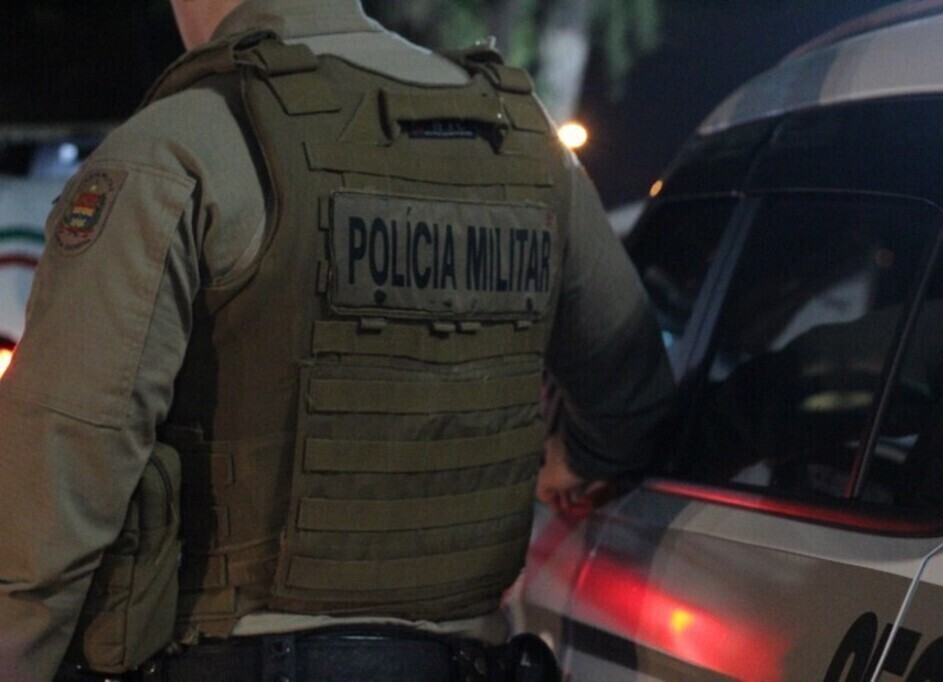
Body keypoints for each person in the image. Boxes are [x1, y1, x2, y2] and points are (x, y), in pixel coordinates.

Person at [0, 0, 674, 679]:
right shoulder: (522, 139)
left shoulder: (179, 145)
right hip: (471, 657)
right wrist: (573, 461)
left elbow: (57, 497)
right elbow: (632, 397)